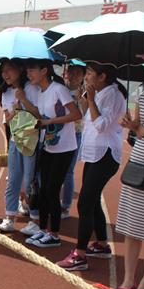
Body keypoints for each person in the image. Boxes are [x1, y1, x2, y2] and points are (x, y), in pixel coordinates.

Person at [56, 63, 126, 270]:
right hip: (95, 154)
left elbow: (101, 124)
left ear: (102, 76)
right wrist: (85, 100)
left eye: (89, 73)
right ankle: (102, 244)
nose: (85, 77)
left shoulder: (113, 95)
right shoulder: (100, 92)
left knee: (85, 203)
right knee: (92, 200)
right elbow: (88, 117)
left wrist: (92, 100)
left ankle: (80, 254)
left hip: (105, 155)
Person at [23, 60, 81, 248]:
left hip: (64, 148)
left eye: (32, 69)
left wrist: (49, 123)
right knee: (42, 188)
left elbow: (75, 115)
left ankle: (54, 234)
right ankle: (43, 230)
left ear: (44, 71)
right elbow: (41, 117)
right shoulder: (41, 93)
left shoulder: (59, 89)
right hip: (48, 146)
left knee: (52, 190)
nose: (29, 73)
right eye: (28, 70)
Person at [113, 80, 144, 289]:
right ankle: (128, 280)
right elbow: (138, 125)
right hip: (139, 159)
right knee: (132, 223)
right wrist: (131, 124)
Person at [0, 60, 41, 233]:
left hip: (32, 142)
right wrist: (15, 108)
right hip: (15, 141)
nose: (5, 74)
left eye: (9, 70)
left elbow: (38, 113)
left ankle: (35, 220)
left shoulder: (31, 88)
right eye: (3, 71)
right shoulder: (6, 93)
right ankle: (9, 218)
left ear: (20, 70)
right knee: (13, 180)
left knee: (30, 181)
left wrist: (23, 100)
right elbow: (7, 120)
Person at [61, 62, 87, 218]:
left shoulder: (83, 94)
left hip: (74, 134)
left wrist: (81, 100)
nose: (73, 76)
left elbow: (85, 115)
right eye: (71, 72)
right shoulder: (59, 88)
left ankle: (65, 206)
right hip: (57, 134)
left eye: (78, 73)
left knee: (68, 172)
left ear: (83, 76)